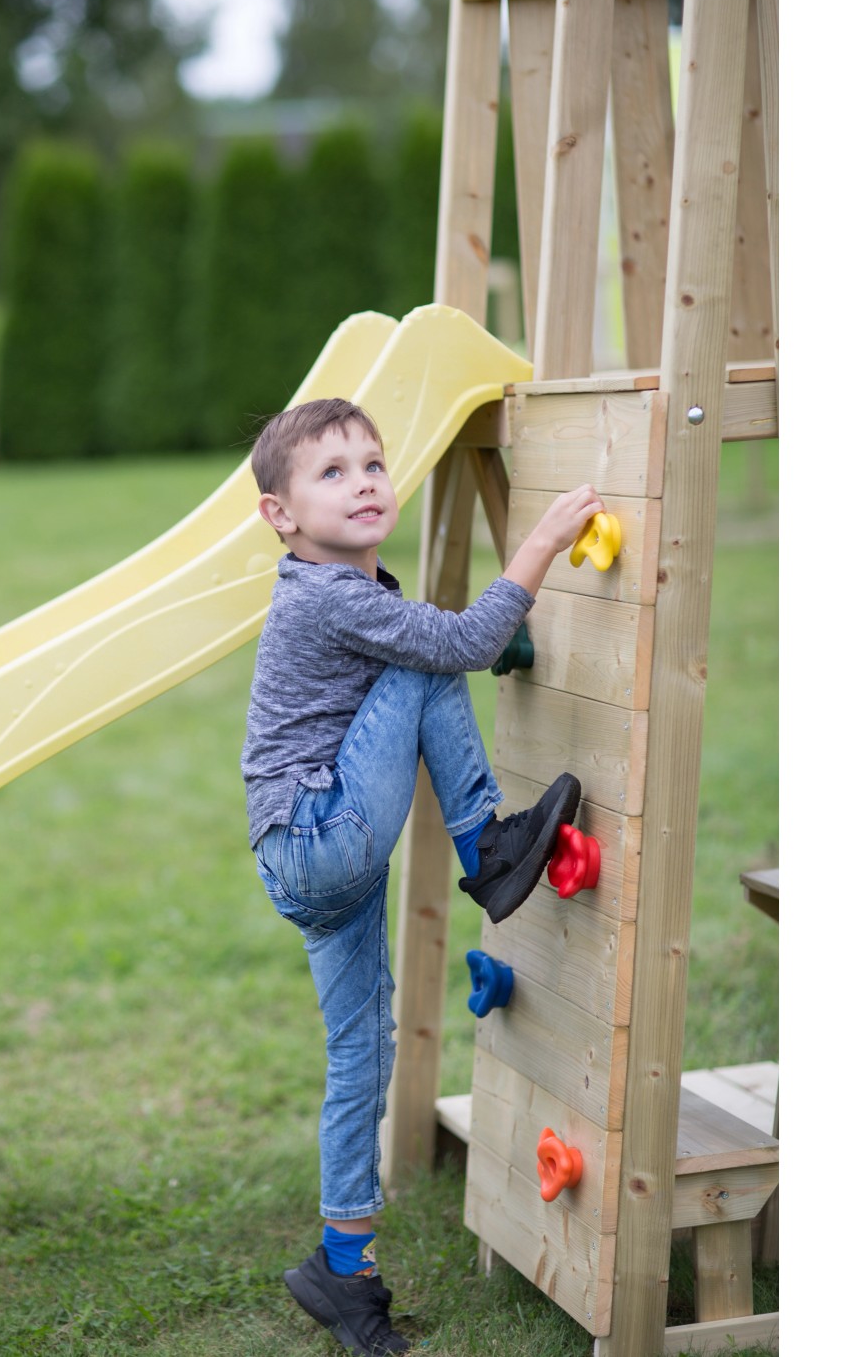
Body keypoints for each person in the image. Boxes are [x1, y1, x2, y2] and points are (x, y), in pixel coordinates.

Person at [240, 397, 605, 1356]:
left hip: (311, 860)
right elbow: (464, 647)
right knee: (432, 652)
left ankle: (343, 1271)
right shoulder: (327, 594)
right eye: (331, 472)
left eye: (372, 463)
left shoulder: (345, 590)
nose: (363, 481)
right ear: (279, 515)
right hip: (322, 831)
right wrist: (539, 546)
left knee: (363, 1053)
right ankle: (485, 844)